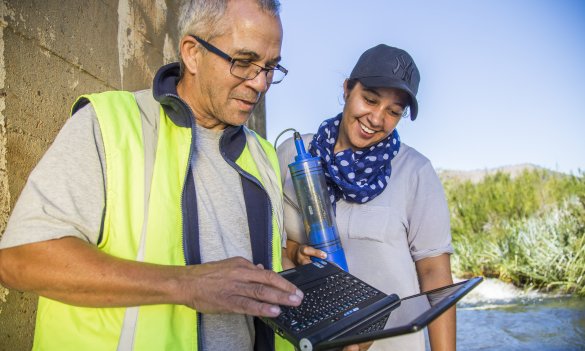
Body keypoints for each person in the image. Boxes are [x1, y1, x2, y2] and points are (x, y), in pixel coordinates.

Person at [0, 1, 302, 350]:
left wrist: (294, 260)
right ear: (192, 53)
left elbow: (259, 261)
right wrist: (186, 284)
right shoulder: (109, 123)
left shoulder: (263, 155)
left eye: (270, 68)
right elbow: (21, 258)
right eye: (244, 63)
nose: (260, 83)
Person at [277, 44, 455, 351]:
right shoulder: (293, 156)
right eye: (370, 100)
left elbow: (435, 275)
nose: (376, 118)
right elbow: (268, 243)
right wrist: (295, 253)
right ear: (347, 89)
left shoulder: (415, 172)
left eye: (393, 111)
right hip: (311, 342)